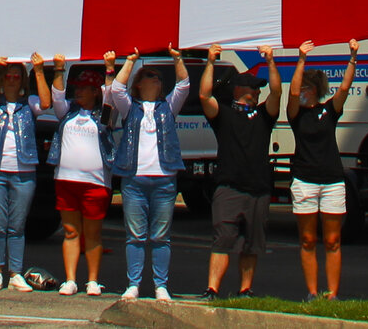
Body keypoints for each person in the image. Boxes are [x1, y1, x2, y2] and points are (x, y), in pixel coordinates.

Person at [199, 46, 281, 300]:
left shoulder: (264, 116)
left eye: (258, 89)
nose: (258, 92)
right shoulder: (223, 113)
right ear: (240, 90)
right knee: (223, 239)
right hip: (229, 187)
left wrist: (270, 60)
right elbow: (204, 95)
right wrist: (210, 63)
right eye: (254, 88)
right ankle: (212, 289)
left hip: (258, 188)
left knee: (252, 244)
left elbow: (277, 92)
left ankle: (245, 290)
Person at [112, 48, 192, 302]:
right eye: (149, 75)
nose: (156, 78)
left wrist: (177, 58)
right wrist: (131, 61)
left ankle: (161, 286)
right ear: (139, 83)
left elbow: (184, 85)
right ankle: (133, 284)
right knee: (135, 235)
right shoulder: (129, 108)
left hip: (164, 180)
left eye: (158, 76)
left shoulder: (168, 107)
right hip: (134, 181)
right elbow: (116, 89)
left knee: (160, 236)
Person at [0, 55, 54, 291]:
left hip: (23, 171)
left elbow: (47, 104)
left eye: (16, 76)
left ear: (22, 80)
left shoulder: (29, 104)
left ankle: (16, 272)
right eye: (7, 76)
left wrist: (38, 71)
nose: (11, 80)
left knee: (17, 225)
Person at [286, 41, 358, 301]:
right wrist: (301, 59)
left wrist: (352, 57)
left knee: (332, 240)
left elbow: (345, 88)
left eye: (306, 87)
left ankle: (333, 294)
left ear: (315, 90)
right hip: (304, 180)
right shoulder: (295, 114)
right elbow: (292, 94)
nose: (301, 91)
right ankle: (312, 292)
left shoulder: (329, 111)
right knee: (307, 238)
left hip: (332, 181)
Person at [47, 54, 120, 296]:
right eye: (77, 88)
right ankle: (70, 279)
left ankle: (92, 280)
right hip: (66, 181)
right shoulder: (67, 112)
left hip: (96, 183)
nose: (78, 93)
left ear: (95, 92)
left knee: (93, 234)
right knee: (70, 231)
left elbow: (111, 96)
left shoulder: (105, 115)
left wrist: (110, 71)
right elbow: (57, 96)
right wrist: (59, 69)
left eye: (85, 89)